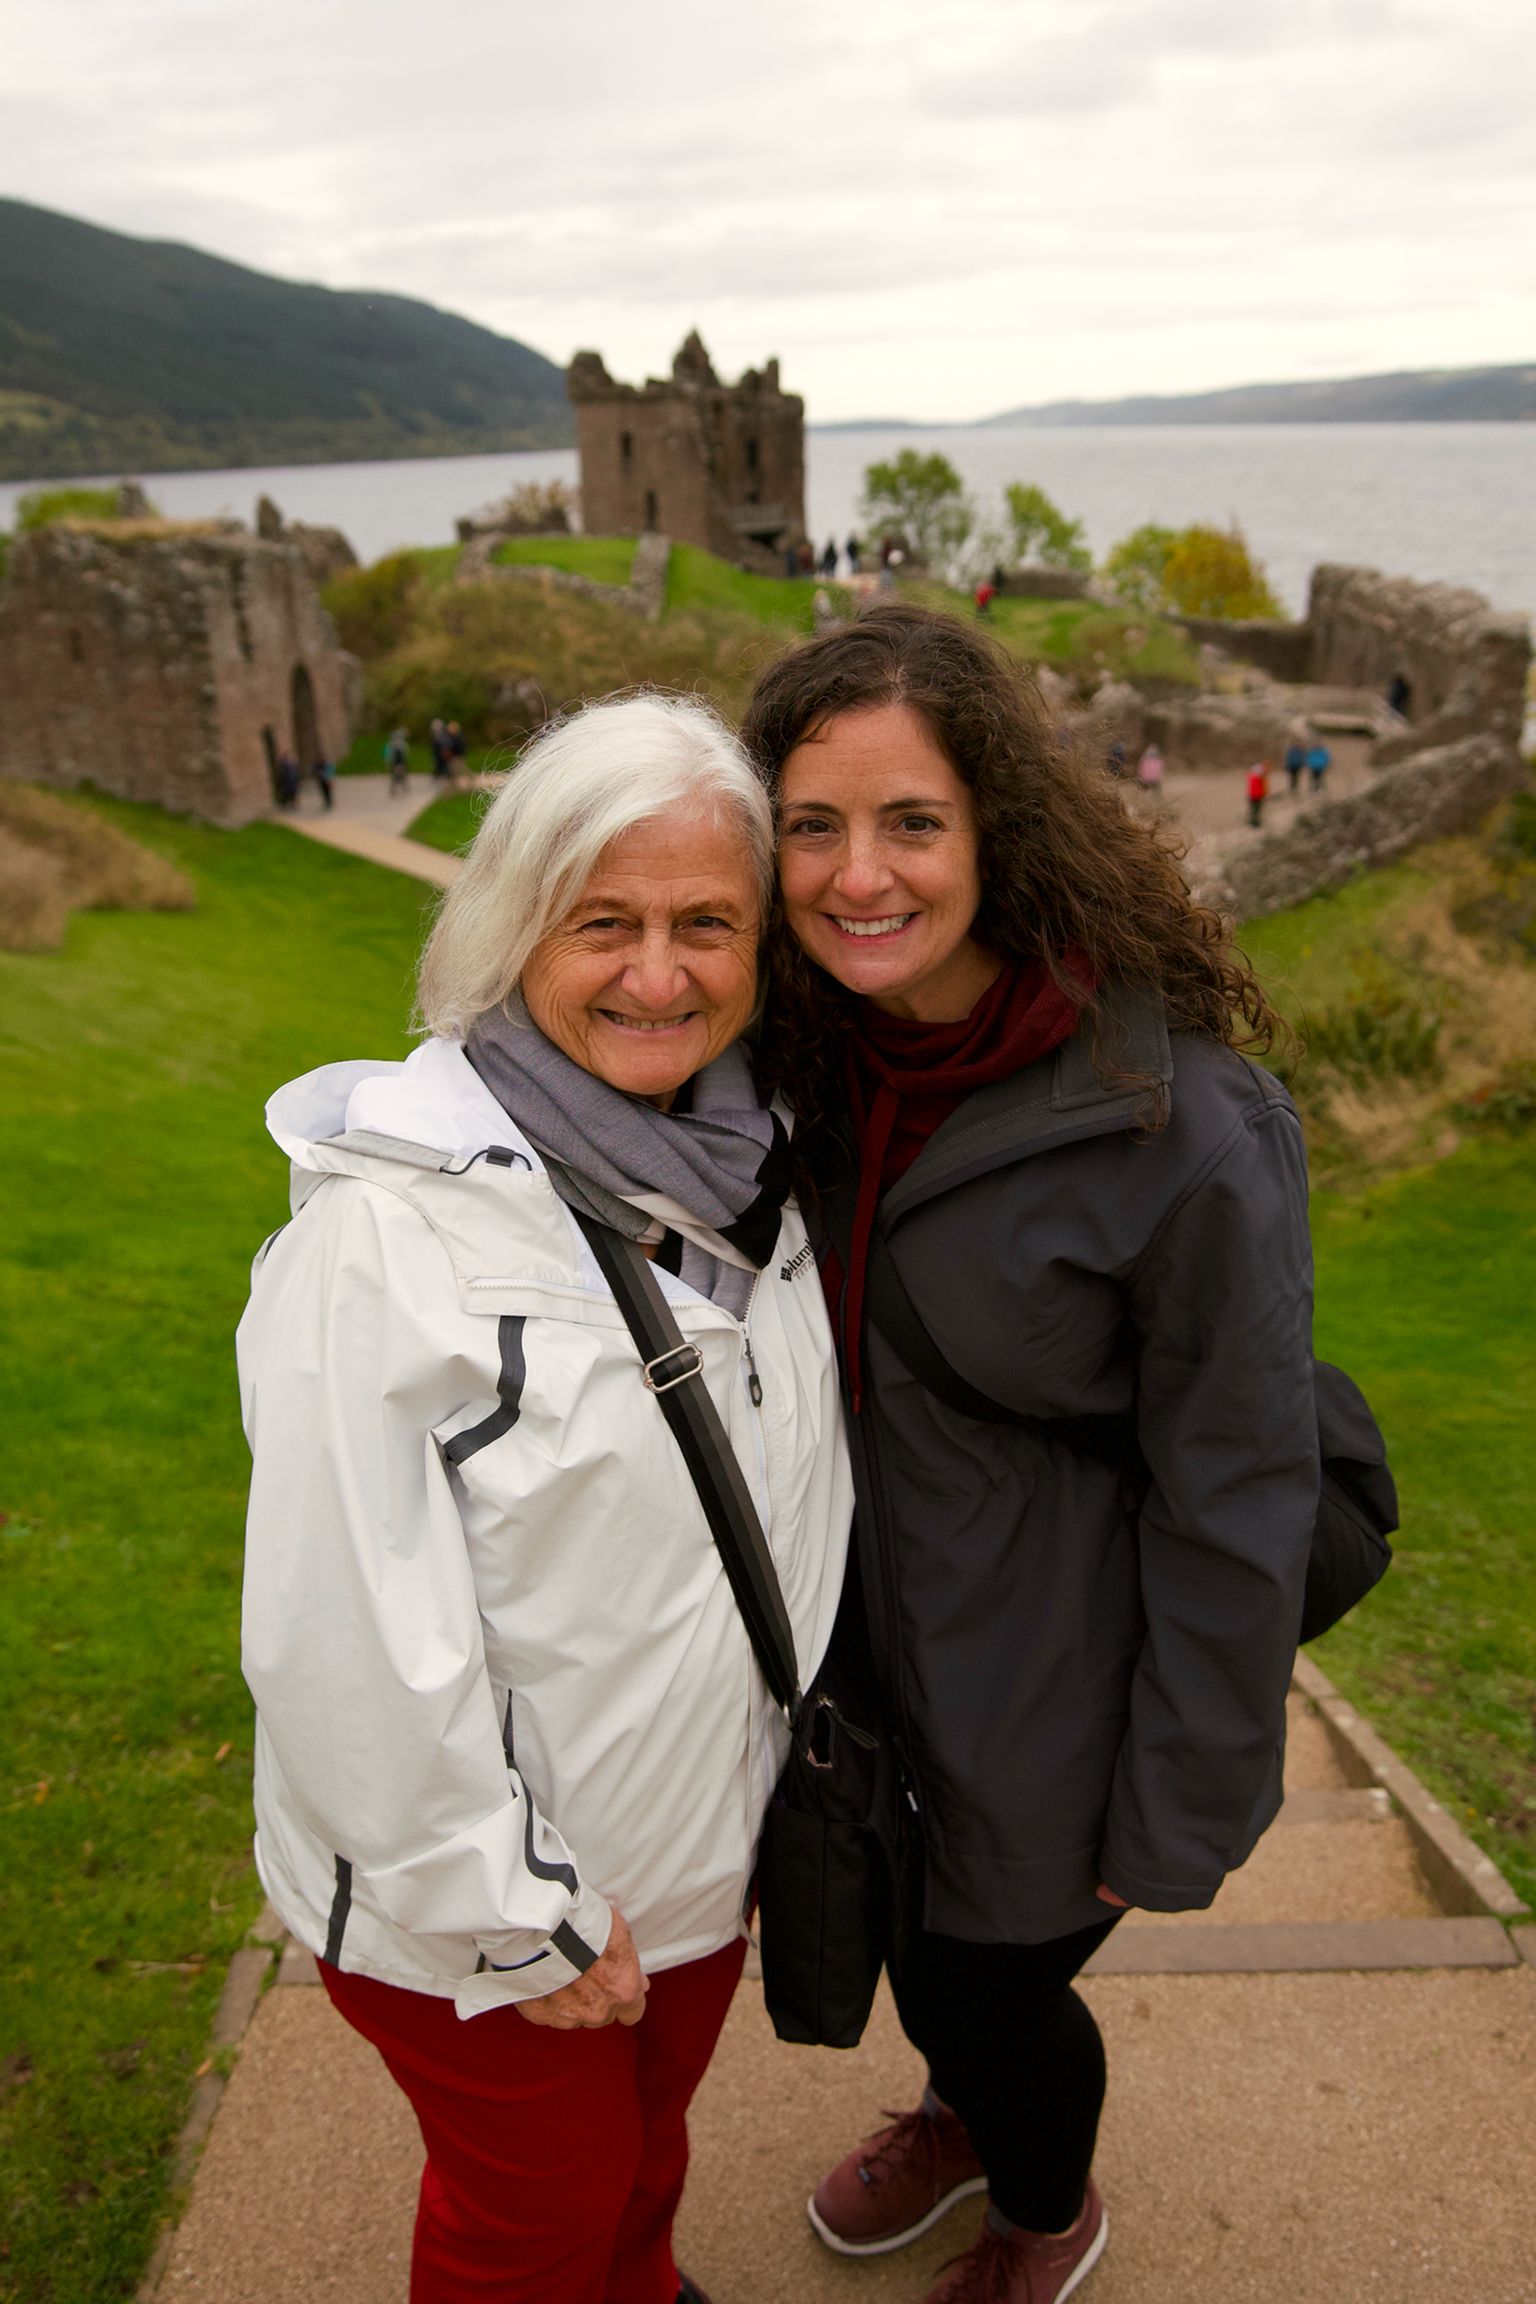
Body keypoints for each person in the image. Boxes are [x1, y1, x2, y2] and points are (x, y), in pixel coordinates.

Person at [238, 695, 852, 2304]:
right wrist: (513, 1920)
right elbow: (340, 1643)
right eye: (607, 924)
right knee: (534, 2219)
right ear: (517, 928)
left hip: (693, 1848)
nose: (660, 974)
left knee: (646, 2165)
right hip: (490, 1897)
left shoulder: (756, 1165)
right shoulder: (387, 1241)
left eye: (706, 923)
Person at [743, 604, 1315, 2304]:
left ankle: (1040, 2199)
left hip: (1068, 1685)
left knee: (993, 1985)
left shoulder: (1183, 1124)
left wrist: (1186, 1788)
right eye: (811, 824)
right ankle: (963, 2107)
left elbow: (1239, 1484)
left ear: (999, 825)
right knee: (921, 1958)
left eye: (912, 820)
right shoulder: (789, 1059)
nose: (860, 874)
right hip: (866, 1658)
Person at [386, 726, 411, 795]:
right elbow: (392, 755)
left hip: (399, 763)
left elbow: (404, 755)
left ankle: (398, 788)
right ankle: (395, 788)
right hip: (397, 763)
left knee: (399, 776)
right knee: (397, 776)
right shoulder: (398, 745)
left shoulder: (400, 745)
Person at [1246, 759, 1269, 828]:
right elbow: (1258, 789)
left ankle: (1254, 821)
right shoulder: (1257, 779)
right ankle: (1254, 822)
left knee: (1255, 810)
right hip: (1256, 796)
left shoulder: (1253, 777)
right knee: (1255, 810)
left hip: (1255, 796)